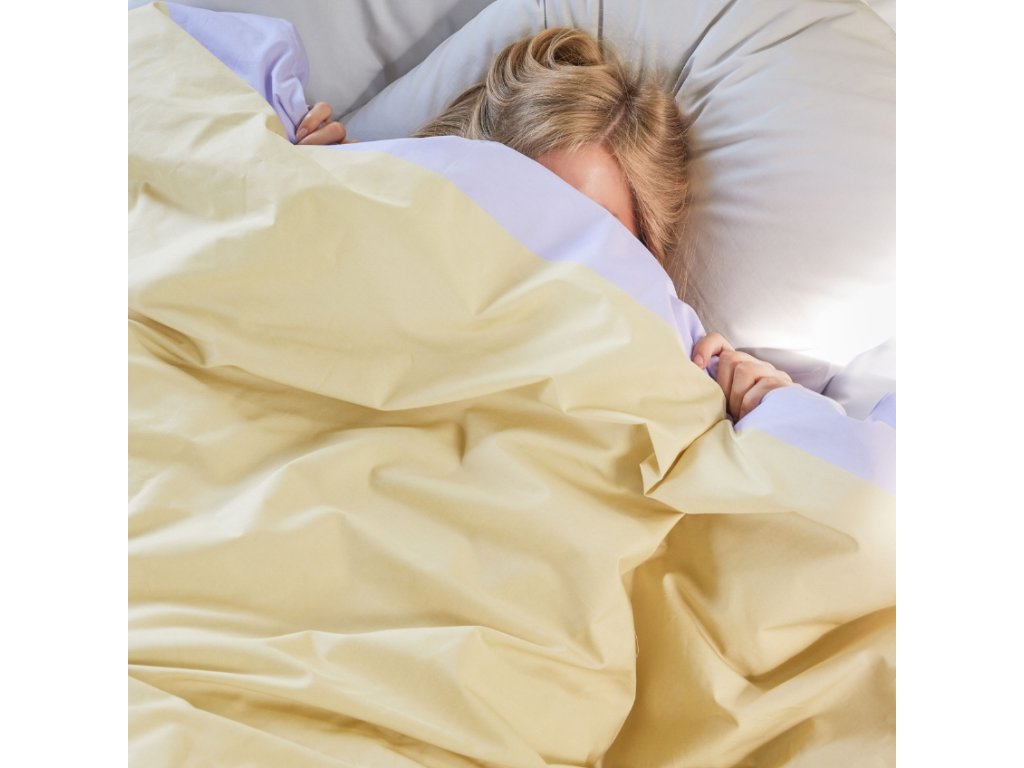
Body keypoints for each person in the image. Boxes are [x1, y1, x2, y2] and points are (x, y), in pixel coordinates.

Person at [294, 28, 794, 421]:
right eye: (521, 198)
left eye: (586, 225)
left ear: (644, 251)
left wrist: (765, 408)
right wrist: (307, 193)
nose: (546, 238)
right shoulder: (377, 223)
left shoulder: (677, 372)